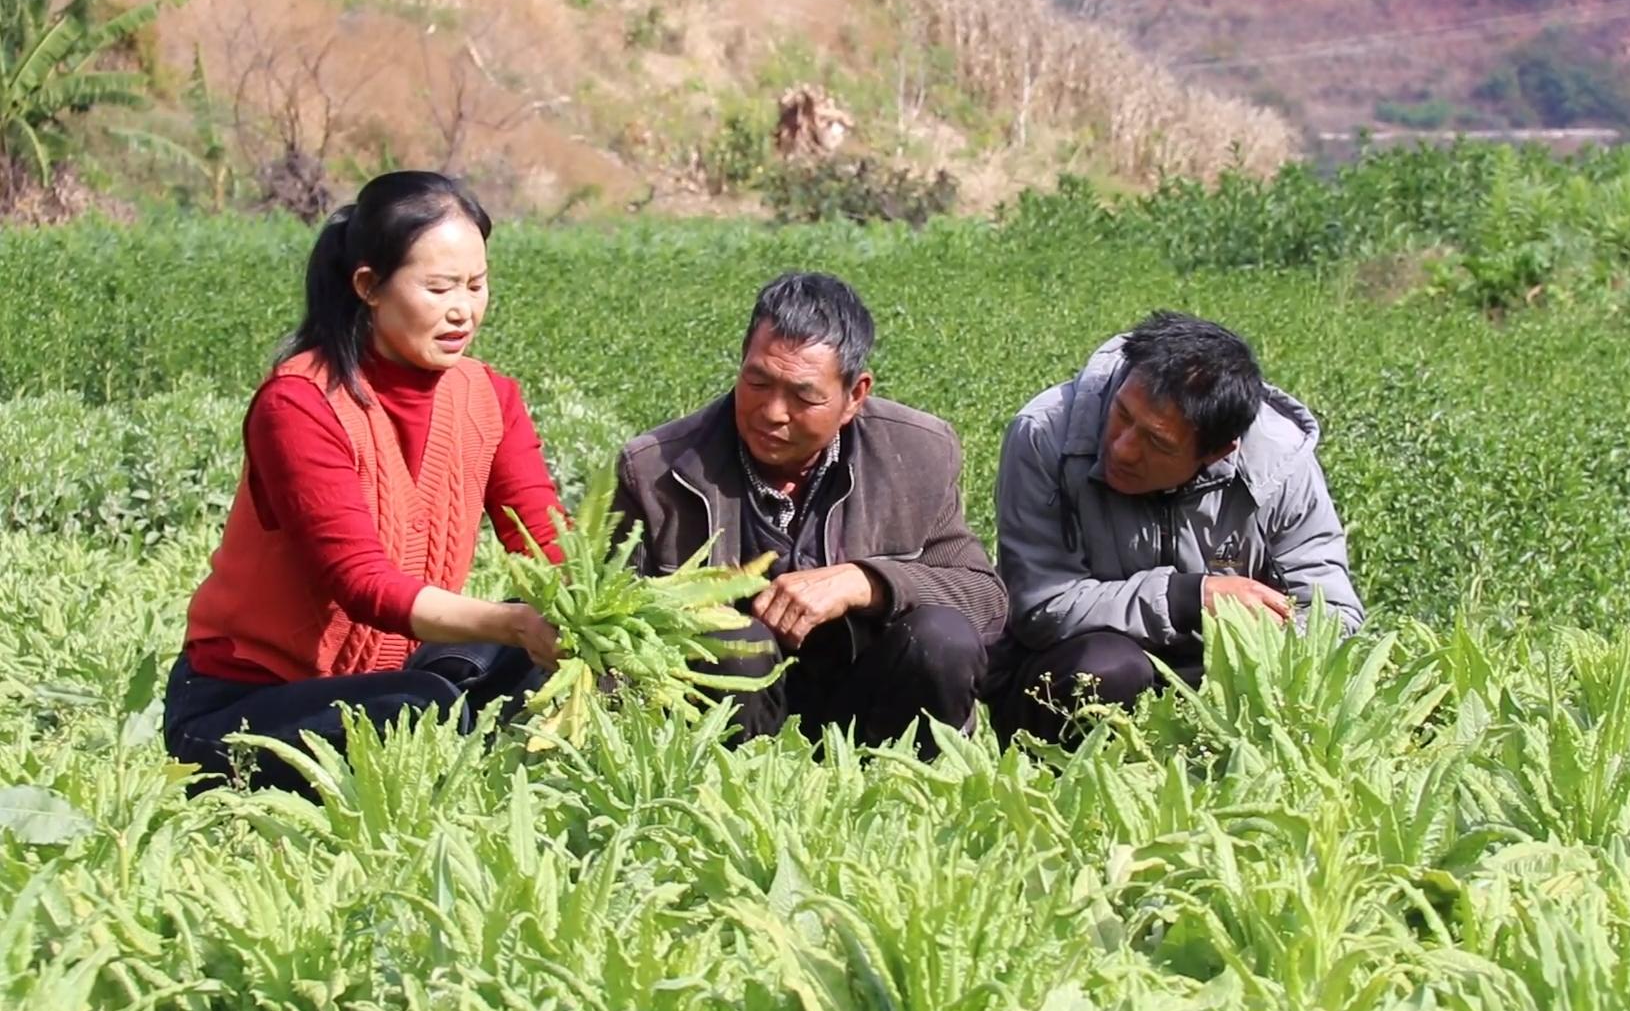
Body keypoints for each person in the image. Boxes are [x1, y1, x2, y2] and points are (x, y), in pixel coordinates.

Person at [164, 171, 566, 792]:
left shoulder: (491, 397)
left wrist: (592, 617)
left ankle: (466, 754)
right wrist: (511, 619)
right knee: (426, 708)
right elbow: (361, 583)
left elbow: (542, 537)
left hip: (390, 680)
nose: (463, 309)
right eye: (438, 288)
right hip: (245, 706)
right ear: (369, 287)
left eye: (476, 285)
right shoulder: (300, 402)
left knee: (521, 663)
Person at [612, 271, 1007, 745]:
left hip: (872, 700)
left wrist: (869, 582)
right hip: (726, 719)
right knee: (735, 643)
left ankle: (904, 788)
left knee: (941, 638)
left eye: (803, 396)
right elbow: (612, 625)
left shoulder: (918, 454)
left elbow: (984, 600)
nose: (773, 412)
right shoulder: (656, 469)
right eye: (757, 382)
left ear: (854, 396)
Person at [992, 310, 1363, 738]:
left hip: (1221, 682)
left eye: (1156, 442)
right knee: (1108, 668)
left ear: (1218, 452)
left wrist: (1262, 635)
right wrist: (1186, 598)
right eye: (1123, 415)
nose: (1123, 448)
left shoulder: (1277, 465)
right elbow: (1040, 607)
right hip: (1070, 669)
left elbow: (1331, 614)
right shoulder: (1045, 434)